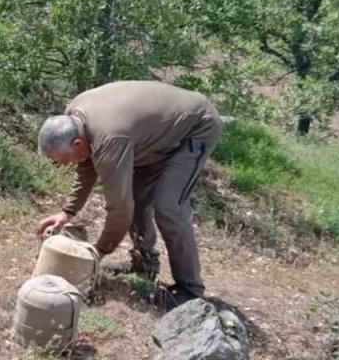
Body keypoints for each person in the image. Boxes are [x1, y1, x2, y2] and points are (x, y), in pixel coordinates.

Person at [33, 81, 222, 308]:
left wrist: (99, 251)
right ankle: (143, 263)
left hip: (195, 126)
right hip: (153, 135)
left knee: (169, 207)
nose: (66, 165)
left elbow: (120, 209)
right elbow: (86, 164)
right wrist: (67, 212)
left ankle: (190, 290)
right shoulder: (74, 118)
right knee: (138, 198)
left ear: (77, 142)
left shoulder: (110, 138)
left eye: (65, 160)